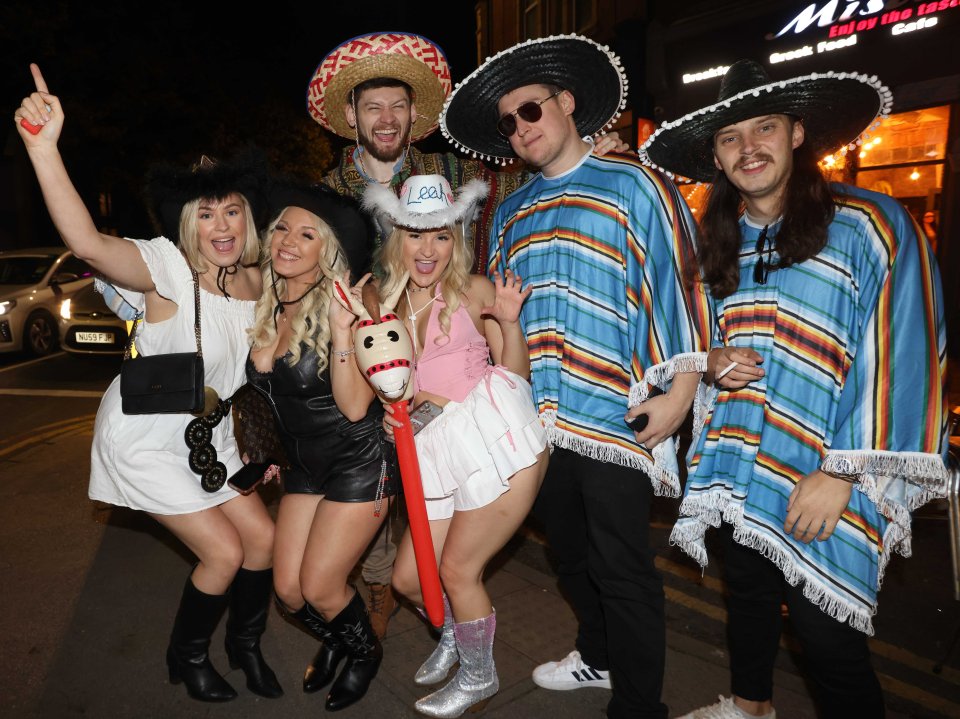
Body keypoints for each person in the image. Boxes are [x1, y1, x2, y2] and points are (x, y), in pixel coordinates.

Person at [640, 59, 949, 718]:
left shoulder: (872, 225)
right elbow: (690, 331)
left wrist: (839, 472)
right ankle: (751, 705)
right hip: (738, 455)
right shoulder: (713, 240)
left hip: (832, 467)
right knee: (747, 591)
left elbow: (908, 346)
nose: (749, 147)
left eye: (765, 127)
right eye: (730, 137)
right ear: (716, 157)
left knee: (826, 637)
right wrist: (713, 357)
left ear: (797, 133)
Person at [307, 30, 626, 640]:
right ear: (351, 115)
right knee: (380, 484)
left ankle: (440, 609)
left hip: (460, 364)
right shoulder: (329, 193)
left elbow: (525, 184)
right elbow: (306, 262)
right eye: (373, 105)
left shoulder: (451, 169)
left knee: (443, 526)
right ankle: (383, 590)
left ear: (414, 113)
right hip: (370, 356)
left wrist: (588, 153)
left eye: (398, 105)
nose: (387, 117)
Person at [441, 35, 713, 719]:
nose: (520, 129)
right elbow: (500, 316)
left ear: (566, 102)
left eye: (529, 110)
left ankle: (640, 704)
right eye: (507, 123)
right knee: (567, 553)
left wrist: (679, 393)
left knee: (621, 564)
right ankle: (597, 653)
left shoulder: (638, 182)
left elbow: (679, 284)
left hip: (615, 414)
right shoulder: (510, 211)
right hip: (535, 418)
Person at [14, 65, 281, 702]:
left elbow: (258, 378)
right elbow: (83, 238)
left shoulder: (258, 281)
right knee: (220, 554)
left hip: (211, 434)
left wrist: (265, 448)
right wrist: (44, 149)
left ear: (249, 219)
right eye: (207, 211)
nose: (221, 225)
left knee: (262, 539)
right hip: (146, 436)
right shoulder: (164, 264)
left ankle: (245, 646)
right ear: (189, 221)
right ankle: (185, 658)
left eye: (233, 211)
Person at [363, 173, 549, 717]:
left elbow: (516, 377)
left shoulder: (476, 290)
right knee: (407, 579)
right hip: (431, 452)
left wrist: (510, 325)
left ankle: (479, 675)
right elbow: (389, 386)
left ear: (456, 238)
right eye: (416, 234)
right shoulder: (387, 301)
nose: (428, 249)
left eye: (441, 235)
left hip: (492, 441)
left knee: (457, 571)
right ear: (396, 236)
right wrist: (388, 415)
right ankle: (459, 636)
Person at [245, 180, 399, 712]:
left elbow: (357, 407)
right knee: (288, 591)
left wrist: (340, 333)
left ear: (327, 250)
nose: (289, 240)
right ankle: (340, 639)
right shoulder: (265, 298)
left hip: (360, 460)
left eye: (307, 234)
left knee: (322, 586)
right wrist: (258, 450)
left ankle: (364, 653)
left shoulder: (353, 301)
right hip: (303, 466)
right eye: (283, 227)